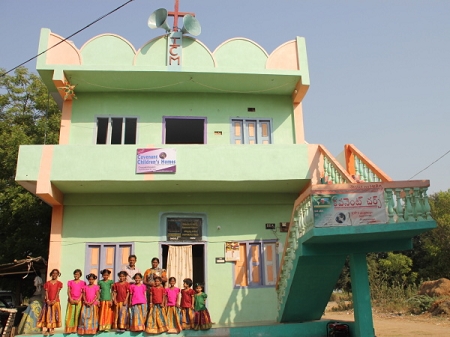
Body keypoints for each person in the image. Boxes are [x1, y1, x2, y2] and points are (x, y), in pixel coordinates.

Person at [37, 269, 63, 335]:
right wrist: (48, 300)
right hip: (48, 301)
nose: (54, 275)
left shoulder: (59, 283)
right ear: (51, 274)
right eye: (53, 273)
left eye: (56, 273)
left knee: (54, 315)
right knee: (48, 315)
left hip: (55, 301)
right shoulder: (47, 283)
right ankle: (48, 329)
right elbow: (46, 292)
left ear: (58, 275)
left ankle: (52, 329)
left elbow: (58, 292)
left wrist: (54, 300)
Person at [64, 269, 86, 333]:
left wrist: (79, 299)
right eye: (75, 274)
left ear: (80, 275)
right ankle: (69, 329)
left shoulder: (83, 283)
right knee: (70, 314)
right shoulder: (70, 282)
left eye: (78, 274)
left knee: (78, 314)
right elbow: (68, 291)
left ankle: (76, 329)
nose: (76, 275)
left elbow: (83, 292)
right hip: (71, 300)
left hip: (79, 301)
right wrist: (70, 298)